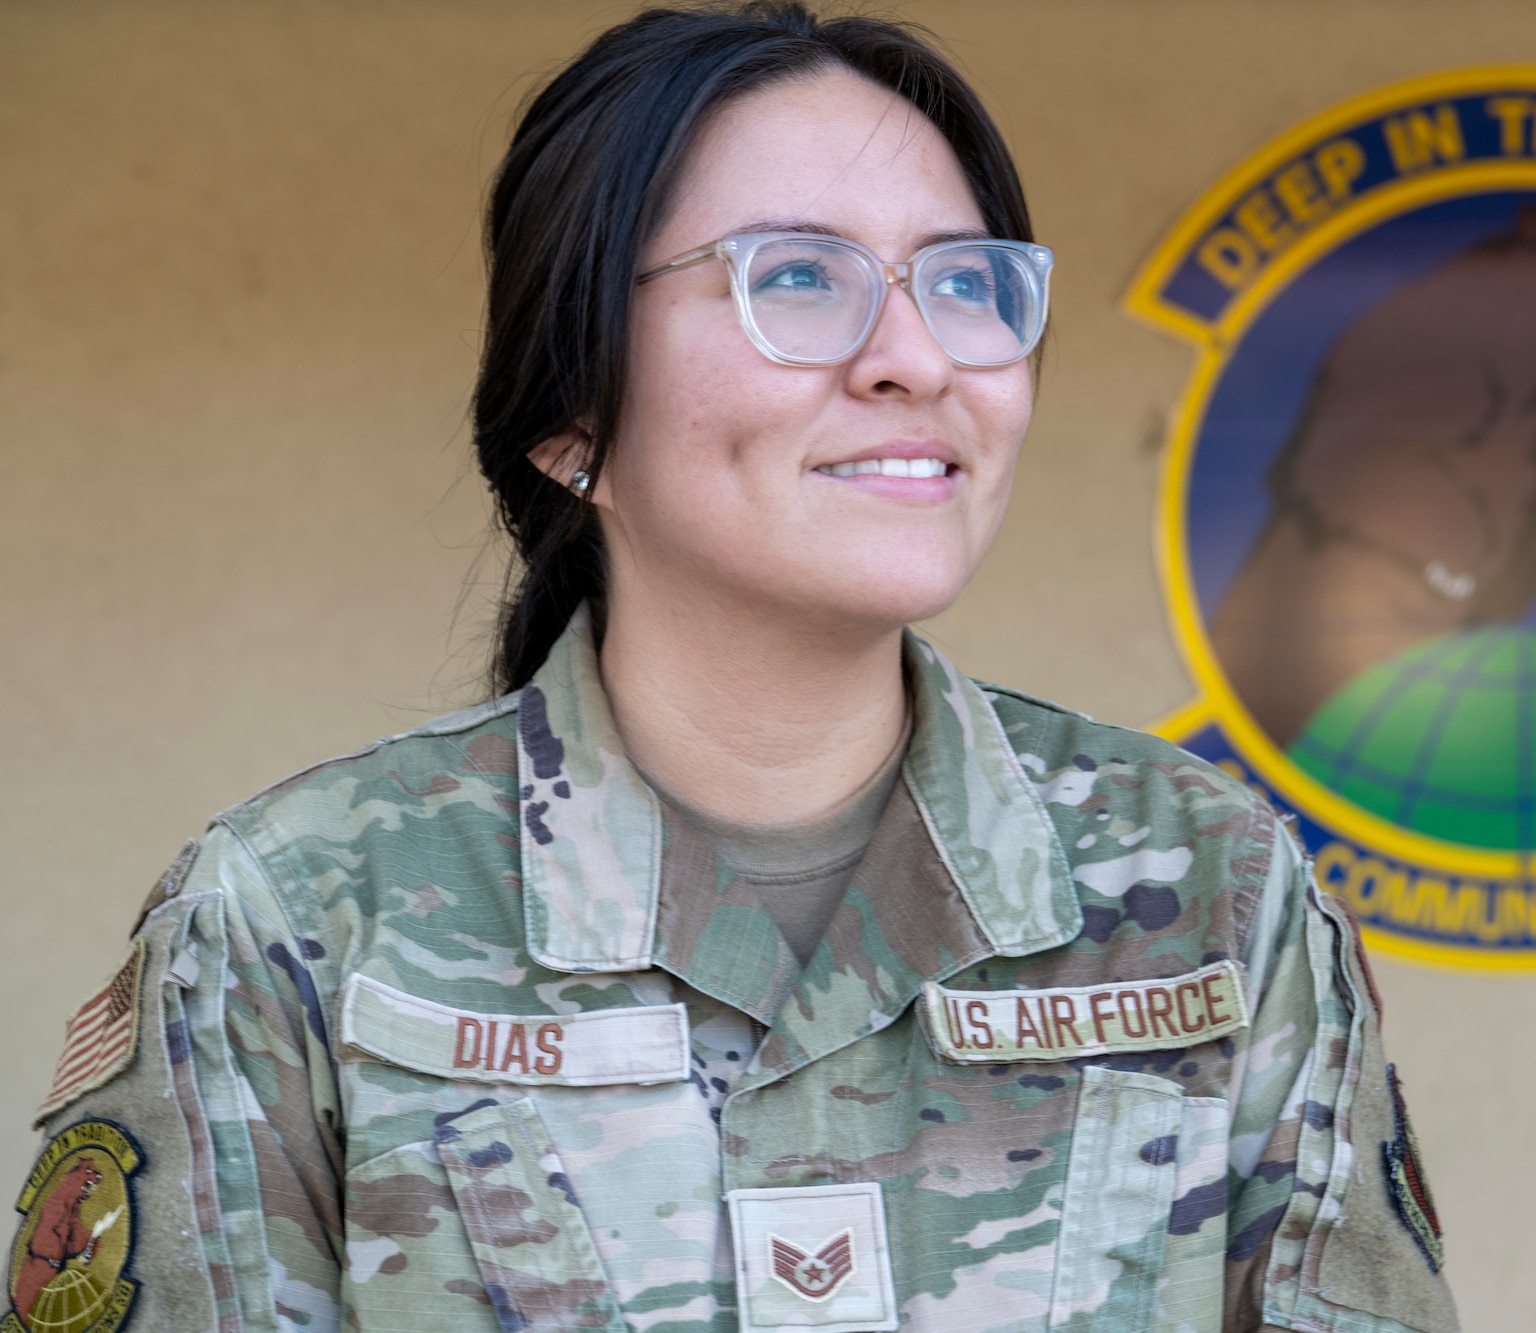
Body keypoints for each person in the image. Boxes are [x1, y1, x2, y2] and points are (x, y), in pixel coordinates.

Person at [9, 6, 1459, 1332]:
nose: (915, 357)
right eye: (801, 276)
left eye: (964, 282)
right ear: (571, 415)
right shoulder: (300, 922)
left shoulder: (1214, 897)